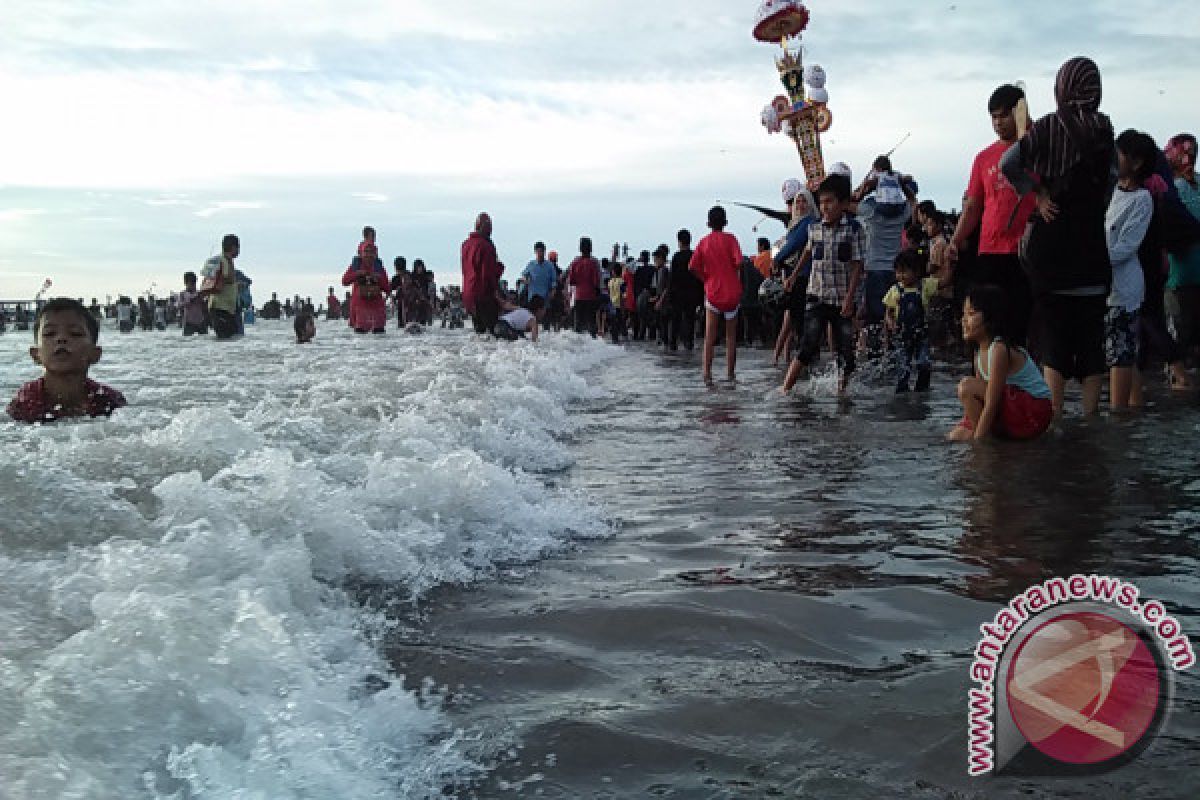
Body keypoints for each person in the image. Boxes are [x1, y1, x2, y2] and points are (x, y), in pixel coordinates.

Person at [1000, 57, 1115, 416]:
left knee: (1054, 340)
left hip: (1053, 247)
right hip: (1092, 247)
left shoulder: (1048, 128)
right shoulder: (1103, 129)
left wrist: (1038, 195)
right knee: (1092, 341)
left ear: (1062, 87)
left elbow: (1008, 164)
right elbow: (1111, 181)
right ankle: (1091, 422)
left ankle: (1053, 423)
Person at [947, 84, 1039, 345]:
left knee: (1021, 323)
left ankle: (1019, 381)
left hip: (1025, 249)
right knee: (987, 326)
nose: (998, 123)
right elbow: (973, 207)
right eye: (994, 117)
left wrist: (1026, 127)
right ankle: (987, 382)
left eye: (1004, 115)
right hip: (989, 250)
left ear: (1018, 113)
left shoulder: (1036, 148)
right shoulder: (983, 158)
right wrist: (955, 239)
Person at [782, 174, 865, 394]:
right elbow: (808, 253)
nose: (825, 207)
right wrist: (793, 275)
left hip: (842, 299)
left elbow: (858, 265)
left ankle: (841, 392)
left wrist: (850, 299)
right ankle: (785, 389)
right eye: (821, 202)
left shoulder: (854, 230)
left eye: (830, 201)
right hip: (817, 294)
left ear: (844, 204)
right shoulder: (814, 228)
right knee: (807, 345)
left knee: (845, 350)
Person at [948, 285, 1053, 442]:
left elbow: (991, 401)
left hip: (1035, 410)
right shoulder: (978, 354)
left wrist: (979, 442)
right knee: (956, 435)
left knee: (966, 387)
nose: (963, 320)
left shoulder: (999, 349)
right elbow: (979, 400)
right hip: (1015, 406)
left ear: (990, 318)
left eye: (971, 314)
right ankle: (988, 437)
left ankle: (987, 440)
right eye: (964, 314)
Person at [7, 298, 127, 423]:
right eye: (49, 333)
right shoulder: (25, 403)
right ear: (35, 354)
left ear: (95, 354)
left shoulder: (110, 401)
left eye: (75, 333)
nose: (61, 338)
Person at [1104, 130, 1155, 410]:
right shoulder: (1111, 189)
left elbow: (1126, 246)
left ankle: (1120, 415)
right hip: (1106, 283)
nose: (1115, 156)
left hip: (1124, 288)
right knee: (1121, 350)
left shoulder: (1142, 199)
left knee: (1120, 352)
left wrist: (1093, 260)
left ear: (1136, 163)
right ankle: (1134, 408)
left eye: (1120, 152)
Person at [852, 156, 917, 352]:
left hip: (874, 270)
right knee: (895, 315)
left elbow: (851, 201)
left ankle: (875, 357)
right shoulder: (902, 212)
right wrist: (901, 184)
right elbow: (913, 201)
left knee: (874, 319)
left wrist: (867, 186)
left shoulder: (870, 211)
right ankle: (896, 355)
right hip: (896, 271)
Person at [690, 205, 744, 384]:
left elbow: (692, 266)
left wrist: (705, 277)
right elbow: (739, 262)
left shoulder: (704, 242)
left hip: (713, 291)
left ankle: (707, 373)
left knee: (709, 336)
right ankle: (730, 374)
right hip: (732, 292)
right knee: (731, 337)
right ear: (725, 222)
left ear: (708, 223)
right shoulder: (731, 239)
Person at [883, 249, 945, 392]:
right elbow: (888, 313)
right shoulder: (895, 290)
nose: (900, 276)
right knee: (903, 367)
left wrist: (951, 263)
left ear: (917, 271)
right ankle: (902, 392)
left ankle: (922, 390)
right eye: (898, 272)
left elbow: (944, 282)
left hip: (921, 335)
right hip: (902, 335)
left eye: (904, 271)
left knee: (924, 363)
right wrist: (890, 324)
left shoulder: (925, 286)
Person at [774, 181, 818, 366]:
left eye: (804, 201)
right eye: (797, 202)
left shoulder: (807, 223)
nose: (800, 205)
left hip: (803, 277)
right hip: (796, 277)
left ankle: (803, 358)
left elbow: (794, 244)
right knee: (796, 319)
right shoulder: (796, 223)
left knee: (799, 319)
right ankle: (798, 358)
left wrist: (776, 259)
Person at [1166, 133, 1200, 368]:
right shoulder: (1175, 187)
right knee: (1187, 339)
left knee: (1182, 339)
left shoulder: (1173, 187)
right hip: (1182, 275)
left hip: (1181, 275)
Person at [461, 213, 503, 334]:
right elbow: (488, 274)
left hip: (468, 294)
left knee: (479, 334)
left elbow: (466, 269)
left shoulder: (465, 245)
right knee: (492, 334)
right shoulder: (487, 246)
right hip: (483, 294)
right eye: (489, 226)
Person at [342, 241, 390, 334]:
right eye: (366, 251)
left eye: (371, 252)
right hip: (360, 310)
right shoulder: (356, 266)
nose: (369, 254)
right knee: (360, 343)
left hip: (376, 309)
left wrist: (378, 278)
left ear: (375, 254)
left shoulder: (379, 268)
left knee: (380, 341)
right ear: (361, 253)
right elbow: (344, 281)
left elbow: (387, 288)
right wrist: (357, 274)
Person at [200, 234, 242, 339]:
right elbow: (226, 278)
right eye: (238, 247)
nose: (239, 251)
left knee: (229, 339)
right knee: (225, 338)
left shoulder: (224, 260)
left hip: (225, 308)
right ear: (233, 247)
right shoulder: (222, 260)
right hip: (220, 307)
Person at [567, 237, 601, 337]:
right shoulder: (593, 263)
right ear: (590, 248)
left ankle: (578, 348)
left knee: (578, 325)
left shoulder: (575, 263)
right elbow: (596, 282)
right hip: (591, 297)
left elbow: (572, 281)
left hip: (579, 297)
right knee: (592, 324)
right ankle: (593, 345)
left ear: (580, 248)